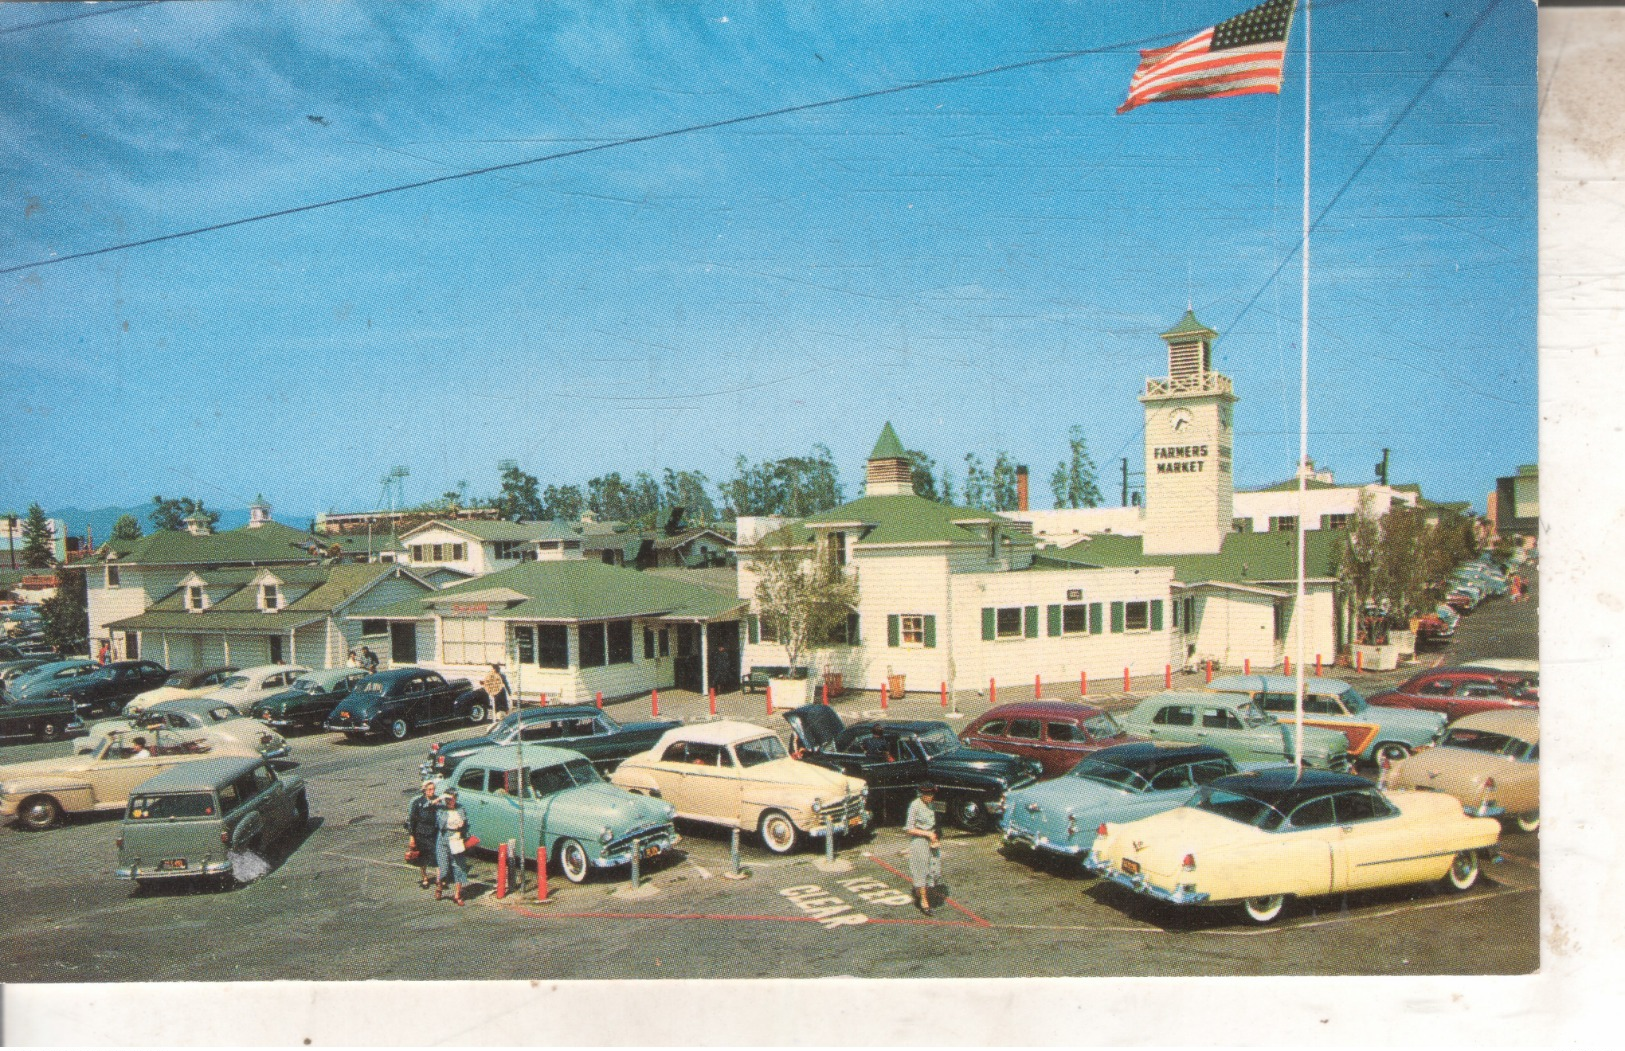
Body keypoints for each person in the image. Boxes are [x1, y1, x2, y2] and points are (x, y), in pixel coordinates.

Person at [905, 783, 942, 915]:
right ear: (921, 794)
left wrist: (936, 836)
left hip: (932, 840)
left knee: (935, 870)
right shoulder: (915, 805)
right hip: (920, 840)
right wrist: (928, 834)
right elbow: (909, 829)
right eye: (927, 794)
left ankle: (918, 890)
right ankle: (924, 901)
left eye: (931, 794)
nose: (930, 797)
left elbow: (936, 822)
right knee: (922, 871)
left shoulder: (932, 804)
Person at [435, 788, 470, 906]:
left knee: (458, 867)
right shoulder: (441, 809)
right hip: (444, 839)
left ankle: (457, 895)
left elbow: (466, 823)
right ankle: (439, 887)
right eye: (449, 799)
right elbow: (439, 823)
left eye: (454, 798)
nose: (452, 801)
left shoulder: (461, 808)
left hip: (457, 838)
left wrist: (465, 836)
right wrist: (439, 799)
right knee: (443, 868)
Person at [405, 779, 441, 889]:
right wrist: (412, 837)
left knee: (437, 856)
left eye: (433, 789)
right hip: (421, 834)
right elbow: (412, 821)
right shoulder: (418, 803)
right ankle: (425, 878)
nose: (432, 791)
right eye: (429, 789)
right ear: (424, 790)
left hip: (434, 833)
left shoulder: (437, 801)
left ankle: (438, 880)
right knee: (423, 858)